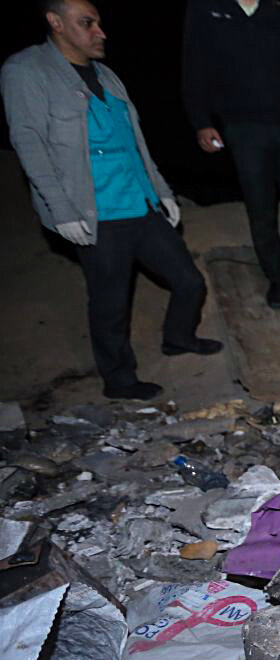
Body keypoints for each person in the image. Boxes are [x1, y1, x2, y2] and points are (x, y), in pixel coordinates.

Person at [1, 0, 221, 401]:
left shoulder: (106, 75)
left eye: (99, 23)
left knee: (189, 280)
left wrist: (162, 192)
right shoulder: (26, 71)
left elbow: (134, 142)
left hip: (139, 202)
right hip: (94, 211)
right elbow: (29, 144)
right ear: (56, 23)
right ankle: (119, 380)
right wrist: (60, 210)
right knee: (111, 303)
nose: (100, 32)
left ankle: (177, 338)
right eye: (87, 23)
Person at [182, 0, 280, 309]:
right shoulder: (207, 10)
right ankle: (277, 280)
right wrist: (201, 122)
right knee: (261, 210)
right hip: (244, 129)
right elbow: (194, 67)